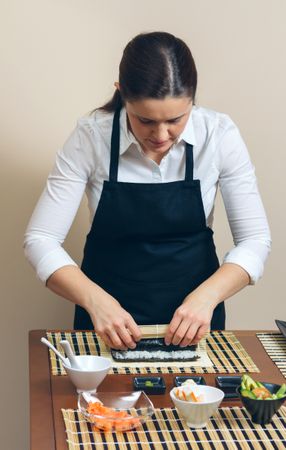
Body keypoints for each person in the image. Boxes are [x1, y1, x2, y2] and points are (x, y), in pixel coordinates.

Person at [24, 31, 271, 351]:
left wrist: (207, 297)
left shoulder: (219, 135)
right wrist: (95, 302)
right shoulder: (91, 136)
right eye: (145, 120)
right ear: (121, 94)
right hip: (106, 323)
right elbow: (40, 239)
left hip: (193, 319)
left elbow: (255, 240)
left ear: (193, 100)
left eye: (176, 119)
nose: (161, 134)